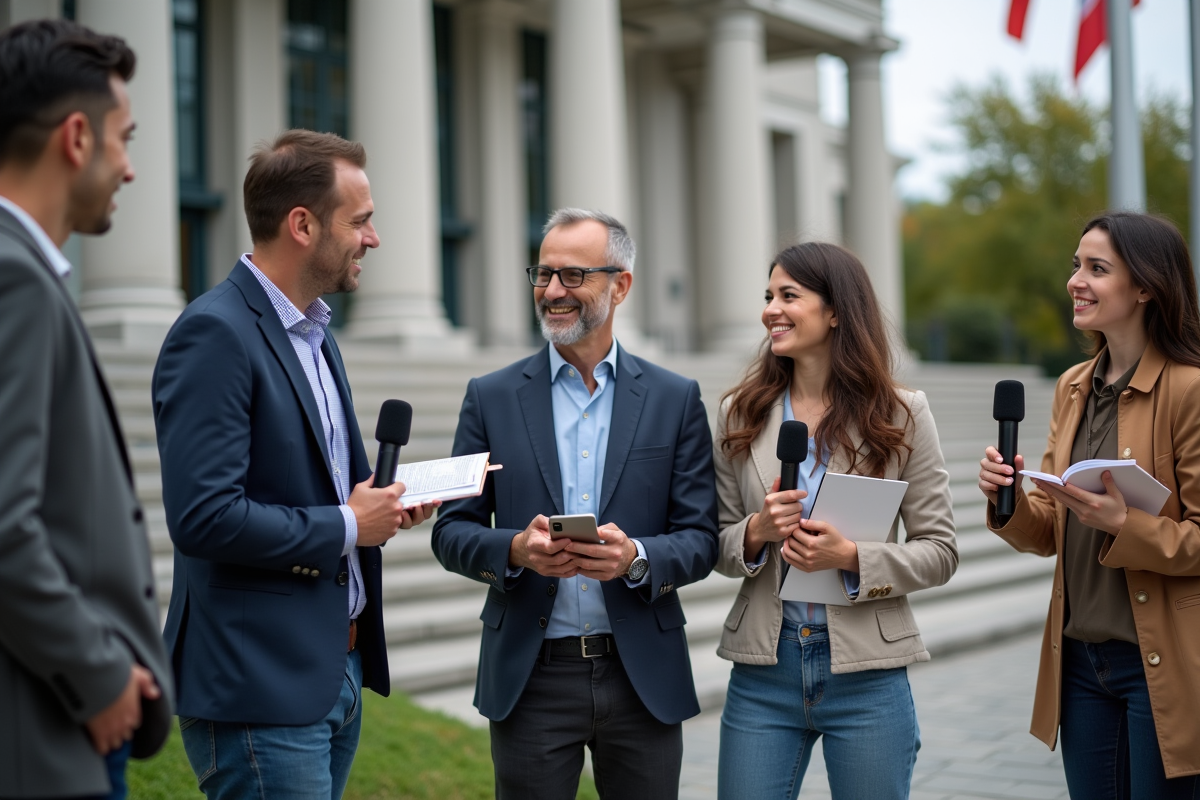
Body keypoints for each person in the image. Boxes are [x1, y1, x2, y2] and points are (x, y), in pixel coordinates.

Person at [152, 130, 436, 798]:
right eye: (360, 222)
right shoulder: (214, 333)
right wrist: (348, 524)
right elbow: (204, 517)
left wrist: (379, 503)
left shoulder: (314, 331)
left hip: (332, 670)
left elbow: (312, 485)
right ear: (302, 225)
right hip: (260, 688)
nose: (374, 239)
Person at [431, 208, 719, 799]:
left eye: (573, 275)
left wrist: (636, 559)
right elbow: (451, 531)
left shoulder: (674, 398)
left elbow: (700, 538)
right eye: (543, 274)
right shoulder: (490, 397)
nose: (553, 290)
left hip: (642, 675)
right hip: (531, 676)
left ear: (621, 285)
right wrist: (515, 550)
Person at [711, 242, 958, 799]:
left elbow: (940, 551)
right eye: (768, 296)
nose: (771, 310)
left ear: (836, 311)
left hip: (867, 673)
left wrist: (851, 558)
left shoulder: (902, 414)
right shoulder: (739, 413)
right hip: (763, 670)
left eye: (788, 296)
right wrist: (755, 533)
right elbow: (717, 542)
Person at [0, 19, 173, 800]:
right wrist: (96, 671)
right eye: (123, 140)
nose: (130, 169)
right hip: (45, 729)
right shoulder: (16, 280)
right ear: (76, 138)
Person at [978, 212, 1200, 797]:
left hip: (1163, 663)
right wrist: (1007, 500)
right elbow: (1050, 529)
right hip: (1079, 664)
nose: (1075, 280)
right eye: (1077, 265)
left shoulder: (1190, 389)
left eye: (1097, 269)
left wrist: (1125, 525)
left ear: (1146, 286)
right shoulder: (1072, 385)